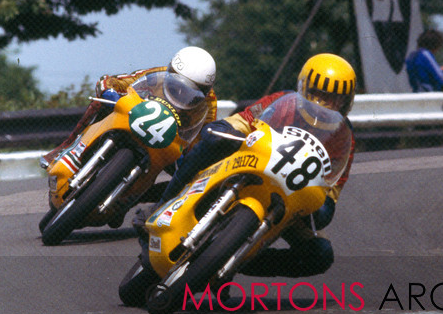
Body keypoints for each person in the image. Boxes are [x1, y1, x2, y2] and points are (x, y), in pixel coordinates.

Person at [135, 53, 357, 279]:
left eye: (332, 99)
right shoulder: (283, 101)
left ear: (346, 101)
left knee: (320, 254)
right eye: (317, 94)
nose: (322, 104)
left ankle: (234, 260)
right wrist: (225, 130)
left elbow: (332, 189)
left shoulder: (343, 135)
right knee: (214, 140)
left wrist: (323, 206)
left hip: (292, 199)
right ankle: (163, 205)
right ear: (304, 88)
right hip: (250, 165)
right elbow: (244, 120)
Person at [39, 46, 218, 169]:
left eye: (194, 90)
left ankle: (145, 204)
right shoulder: (158, 75)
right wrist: (110, 91)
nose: (181, 92)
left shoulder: (208, 104)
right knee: (101, 102)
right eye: (177, 82)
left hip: (166, 145)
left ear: (206, 90)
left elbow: (198, 143)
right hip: (136, 117)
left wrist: (188, 154)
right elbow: (115, 81)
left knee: (190, 173)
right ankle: (65, 147)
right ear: (170, 71)